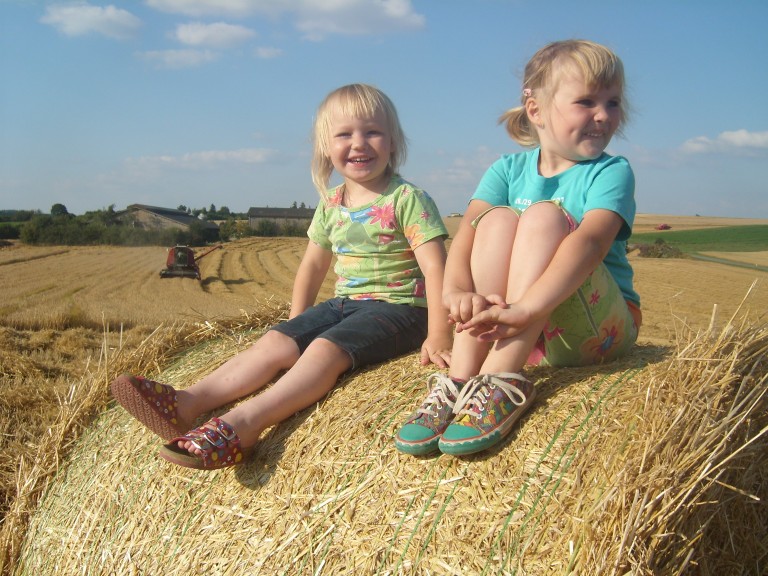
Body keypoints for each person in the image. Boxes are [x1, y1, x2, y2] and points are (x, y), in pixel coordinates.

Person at [112, 83, 453, 470]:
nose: (359, 144)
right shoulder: (332, 202)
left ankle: (244, 423)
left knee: (325, 350)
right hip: (346, 303)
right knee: (276, 341)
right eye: (344, 134)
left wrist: (439, 333)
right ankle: (186, 403)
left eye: (372, 132)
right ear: (326, 147)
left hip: (402, 308)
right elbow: (312, 266)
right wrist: (296, 325)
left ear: (393, 142)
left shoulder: (407, 199)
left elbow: (436, 267)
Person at [395, 40, 641, 457]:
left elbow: (591, 242)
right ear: (536, 110)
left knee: (544, 217)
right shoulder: (505, 170)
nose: (603, 115)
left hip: (598, 332)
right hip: (527, 335)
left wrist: (526, 310)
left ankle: (499, 378)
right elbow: (467, 235)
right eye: (586, 101)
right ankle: (458, 381)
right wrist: (455, 291)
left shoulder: (612, 172)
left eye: (613, 102)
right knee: (494, 220)